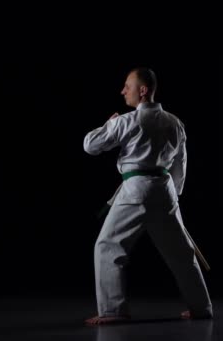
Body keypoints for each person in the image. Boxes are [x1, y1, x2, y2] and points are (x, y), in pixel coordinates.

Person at [83, 67, 213, 325]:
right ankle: (201, 307)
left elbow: (90, 145)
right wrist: (172, 197)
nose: (123, 90)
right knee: (181, 254)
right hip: (164, 192)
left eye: (127, 86)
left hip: (135, 191)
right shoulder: (175, 122)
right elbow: (180, 165)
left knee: (108, 247)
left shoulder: (127, 121)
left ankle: (113, 310)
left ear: (143, 90)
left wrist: (108, 124)